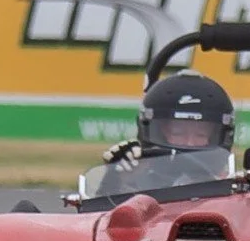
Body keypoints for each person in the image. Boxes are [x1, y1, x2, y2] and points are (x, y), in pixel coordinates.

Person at [92, 70, 238, 196]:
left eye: (200, 135)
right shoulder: (136, 183)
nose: (189, 143)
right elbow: (105, 219)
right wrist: (116, 180)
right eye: (178, 133)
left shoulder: (233, 188)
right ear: (159, 133)